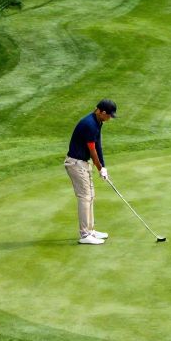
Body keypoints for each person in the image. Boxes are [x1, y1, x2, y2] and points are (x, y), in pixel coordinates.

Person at [64, 99, 118, 245]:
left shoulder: (98, 122)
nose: (110, 118)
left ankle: (91, 230)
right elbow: (92, 149)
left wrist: (103, 166)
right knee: (85, 197)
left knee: (91, 196)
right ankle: (84, 234)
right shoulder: (89, 124)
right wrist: (99, 168)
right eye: (109, 115)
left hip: (83, 163)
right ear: (101, 112)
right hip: (75, 163)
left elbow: (98, 145)